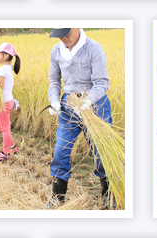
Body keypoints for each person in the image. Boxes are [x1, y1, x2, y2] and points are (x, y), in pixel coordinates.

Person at [44, 28, 114, 209]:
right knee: (61, 150)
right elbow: (54, 81)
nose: (63, 38)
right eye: (60, 35)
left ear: (76, 27)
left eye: (67, 33)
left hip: (94, 105)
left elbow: (102, 82)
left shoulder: (93, 48)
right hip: (69, 106)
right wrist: (54, 101)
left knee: (101, 153)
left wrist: (88, 102)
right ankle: (57, 196)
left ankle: (108, 195)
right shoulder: (56, 51)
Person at [0, 42, 21, 162]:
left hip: (3, 102)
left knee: (5, 128)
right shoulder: (8, 68)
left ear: (6, 55)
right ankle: (12, 146)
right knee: (0, 125)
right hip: (8, 100)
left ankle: (6, 152)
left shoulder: (1, 70)